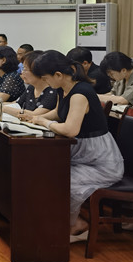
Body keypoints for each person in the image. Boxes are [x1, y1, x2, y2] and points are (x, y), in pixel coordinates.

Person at [29, 50, 124, 239]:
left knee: (62, 180)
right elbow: (58, 113)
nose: (45, 82)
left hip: (101, 162)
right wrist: (33, 118)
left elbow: (71, 129)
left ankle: (75, 226)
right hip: (83, 154)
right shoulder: (62, 89)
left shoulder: (81, 93)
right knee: (45, 173)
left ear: (58, 75)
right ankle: (57, 221)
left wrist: (44, 123)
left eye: (46, 78)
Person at [3, 51, 56, 119]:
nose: (22, 72)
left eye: (25, 69)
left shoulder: (52, 91)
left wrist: (2, 108)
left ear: (38, 71)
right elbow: (16, 104)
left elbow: (34, 115)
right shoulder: (31, 88)